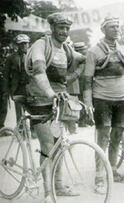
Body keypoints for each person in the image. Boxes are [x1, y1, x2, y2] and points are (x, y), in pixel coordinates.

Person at [24, 13, 85, 202]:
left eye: (67, 28)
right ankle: (48, 192)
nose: (64, 32)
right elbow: (39, 72)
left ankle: (59, 185)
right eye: (60, 27)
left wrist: (83, 67)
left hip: (58, 101)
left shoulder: (65, 48)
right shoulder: (41, 46)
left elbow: (83, 58)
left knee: (60, 145)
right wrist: (51, 94)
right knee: (48, 146)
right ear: (52, 28)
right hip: (39, 100)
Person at [83, 17, 124, 192]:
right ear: (104, 30)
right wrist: (88, 103)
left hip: (122, 98)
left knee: (117, 135)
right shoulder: (93, 52)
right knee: (102, 137)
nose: (116, 29)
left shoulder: (122, 50)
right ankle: (99, 177)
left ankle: (113, 170)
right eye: (112, 27)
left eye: (118, 26)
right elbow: (87, 81)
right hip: (102, 98)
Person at [3, 34, 30, 123]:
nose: (23, 46)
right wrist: (6, 91)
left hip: (31, 89)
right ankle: (21, 132)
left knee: (33, 111)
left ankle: (34, 132)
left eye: (25, 43)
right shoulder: (11, 58)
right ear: (17, 45)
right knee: (19, 113)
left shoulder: (32, 57)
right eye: (21, 44)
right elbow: (6, 76)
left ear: (28, 44)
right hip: (17, 89)